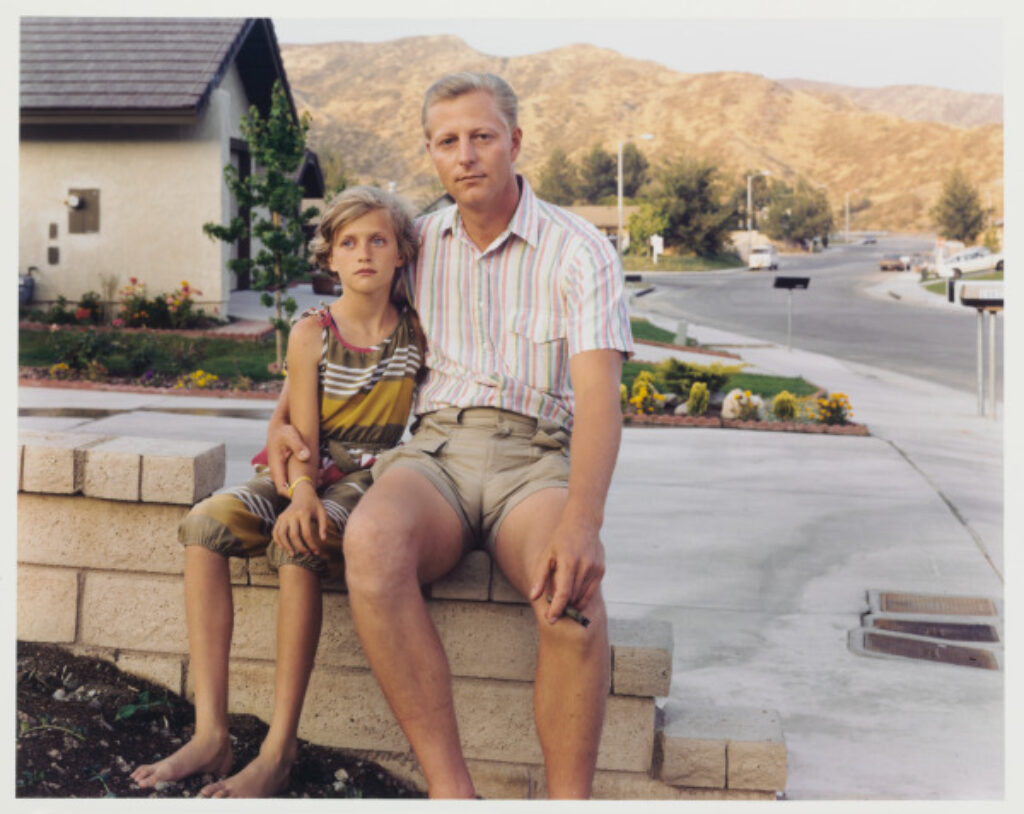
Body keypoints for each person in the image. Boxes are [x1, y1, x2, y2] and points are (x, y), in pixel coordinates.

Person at [267, 72, 633, 799]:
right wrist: (282, 419)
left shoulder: (579, 249)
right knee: (372, 541)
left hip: (534, 461)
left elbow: (599, 401)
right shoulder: (417, 245)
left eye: (481, 136)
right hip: (435, 454)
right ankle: (450, 791)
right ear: (432, 154)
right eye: (447, 141)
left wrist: (583, 523)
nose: (465, 155)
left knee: (571, 602)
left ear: (514, 142)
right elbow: (342, 324)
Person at [131, 186, 425, 798]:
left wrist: (308, 502)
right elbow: (300, 432)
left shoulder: (416, 331)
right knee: (206, 525)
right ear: (330, 257)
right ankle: (210, 733)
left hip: (371, 476)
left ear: (402, 253)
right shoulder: (312, 331)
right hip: (305, 467)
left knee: (297, 544)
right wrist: (300, 490)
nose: (364, 253)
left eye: (379, 240)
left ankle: (279, 748)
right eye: (349, 242)